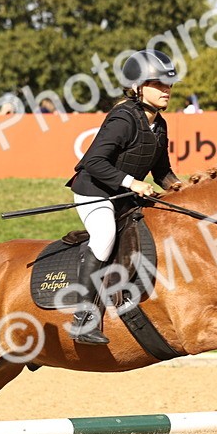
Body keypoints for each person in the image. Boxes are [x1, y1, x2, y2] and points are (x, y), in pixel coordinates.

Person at [63, 48, 181, 345]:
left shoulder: (159, 124)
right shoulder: (123, 118)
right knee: (104, 236)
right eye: (158, 84)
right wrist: (133, 183)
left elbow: (162, 171)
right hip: (95, 192)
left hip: (124, 196)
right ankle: (83, 317)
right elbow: (94, 162)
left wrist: (184, 190)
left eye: (169, 84)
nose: (167, 90)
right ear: (137, 87)